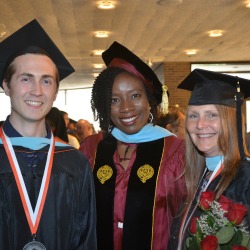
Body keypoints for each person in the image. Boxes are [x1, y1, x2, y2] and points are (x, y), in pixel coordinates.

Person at [79, 41, 186, 250]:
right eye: (114, 100)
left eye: (135, 96)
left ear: (149, 100)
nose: (126, 108)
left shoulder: (176, 152)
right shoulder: (91, 149)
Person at [0, 19, 96, 249]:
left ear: (55, 92)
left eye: (46, 81)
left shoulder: (75, 162)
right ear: (6, 86)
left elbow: (86, 240)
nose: (37, 91)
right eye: (26, 79)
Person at [168, 69, 250, 249]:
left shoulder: (246, 179)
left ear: (232, 120)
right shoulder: (193, 175)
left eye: (211, 115)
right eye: (193, 115)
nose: (200, 125)